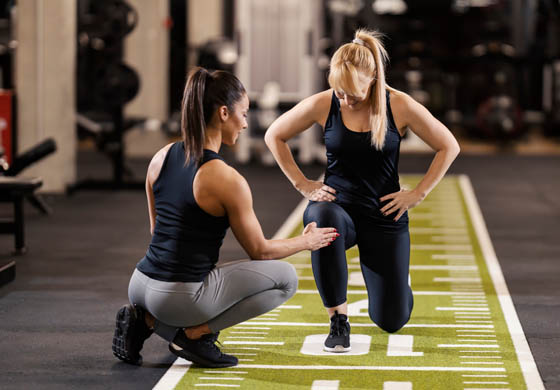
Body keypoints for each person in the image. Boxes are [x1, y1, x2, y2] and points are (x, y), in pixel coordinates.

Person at [112, 67, 339, 368]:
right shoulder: (226, 179)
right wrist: (307, 241)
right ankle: (193, 336)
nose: (245, 124)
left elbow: (158, 230)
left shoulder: (162, 156)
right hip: (178, 297)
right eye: (243, 114)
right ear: (223, 113)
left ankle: (147, 320)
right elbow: (260, 252)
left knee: (214, 273)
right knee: (285, 280)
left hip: (139, 283)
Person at [264, 28, 460, 352]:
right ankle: (338, 320)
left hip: (384, 215)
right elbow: (275, 135)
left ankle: (396, 289)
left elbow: (448, 146)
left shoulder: (399, 105)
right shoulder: (325, 103)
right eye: (339, 92)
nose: (344, 100)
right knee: (321, 219)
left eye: (351, 94)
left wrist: (418, 193)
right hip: (338, 209)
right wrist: (302, 183)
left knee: (392, 320)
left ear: (372, 81)